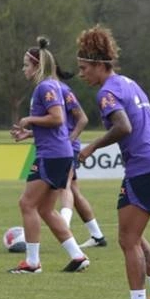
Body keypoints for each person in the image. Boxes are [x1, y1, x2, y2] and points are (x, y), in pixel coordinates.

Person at [76, 26, 150, 299]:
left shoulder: (107, 93)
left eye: (84, 68)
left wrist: (91, 147)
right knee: (135, 235)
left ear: (98, 64)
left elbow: (123, 127)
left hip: (144, 168)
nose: (82, 74)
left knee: (127, 239)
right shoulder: (129, 83)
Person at [8, 38, 89, 273]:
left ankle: (32, 262)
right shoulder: (50, 87)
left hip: (51, 156)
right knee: (44, 209)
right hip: (57, 153)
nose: (24, 69)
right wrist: (30, 133)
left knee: (26, 204)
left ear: (36, 66)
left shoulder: (45, 87)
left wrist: (29, 119)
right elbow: (54, 127)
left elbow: (57, 119)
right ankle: (77, 255)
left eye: (26, 65)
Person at [55, 70, 107, 248]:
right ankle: (97, 235)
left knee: (64, 186)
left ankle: (64, 228)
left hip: (67, 148)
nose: (25, 70)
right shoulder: (49, 89)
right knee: (74, 191)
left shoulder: (62, 90)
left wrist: (69, 140)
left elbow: (82, 118)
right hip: (62, 147)